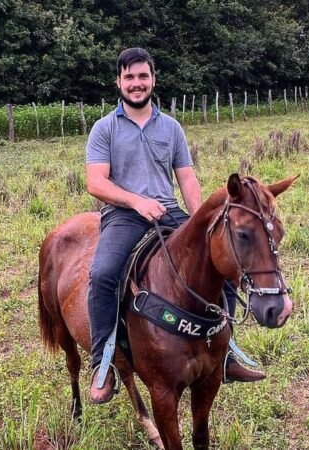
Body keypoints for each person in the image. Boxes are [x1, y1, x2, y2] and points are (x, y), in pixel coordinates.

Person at [85, 47, 264, 404]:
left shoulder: (171, 128)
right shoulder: (104, 128)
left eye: (143, 76)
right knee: (103, 274)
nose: (137, 84)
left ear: (153, 79)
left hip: (168, 213)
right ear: (118, 81)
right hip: (124, 215)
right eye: (129, 77)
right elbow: (96, 183)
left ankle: (226, 353)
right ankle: (102, 364)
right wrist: (136, 201)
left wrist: (202, 222)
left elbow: (187, 179)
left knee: (222, 262)